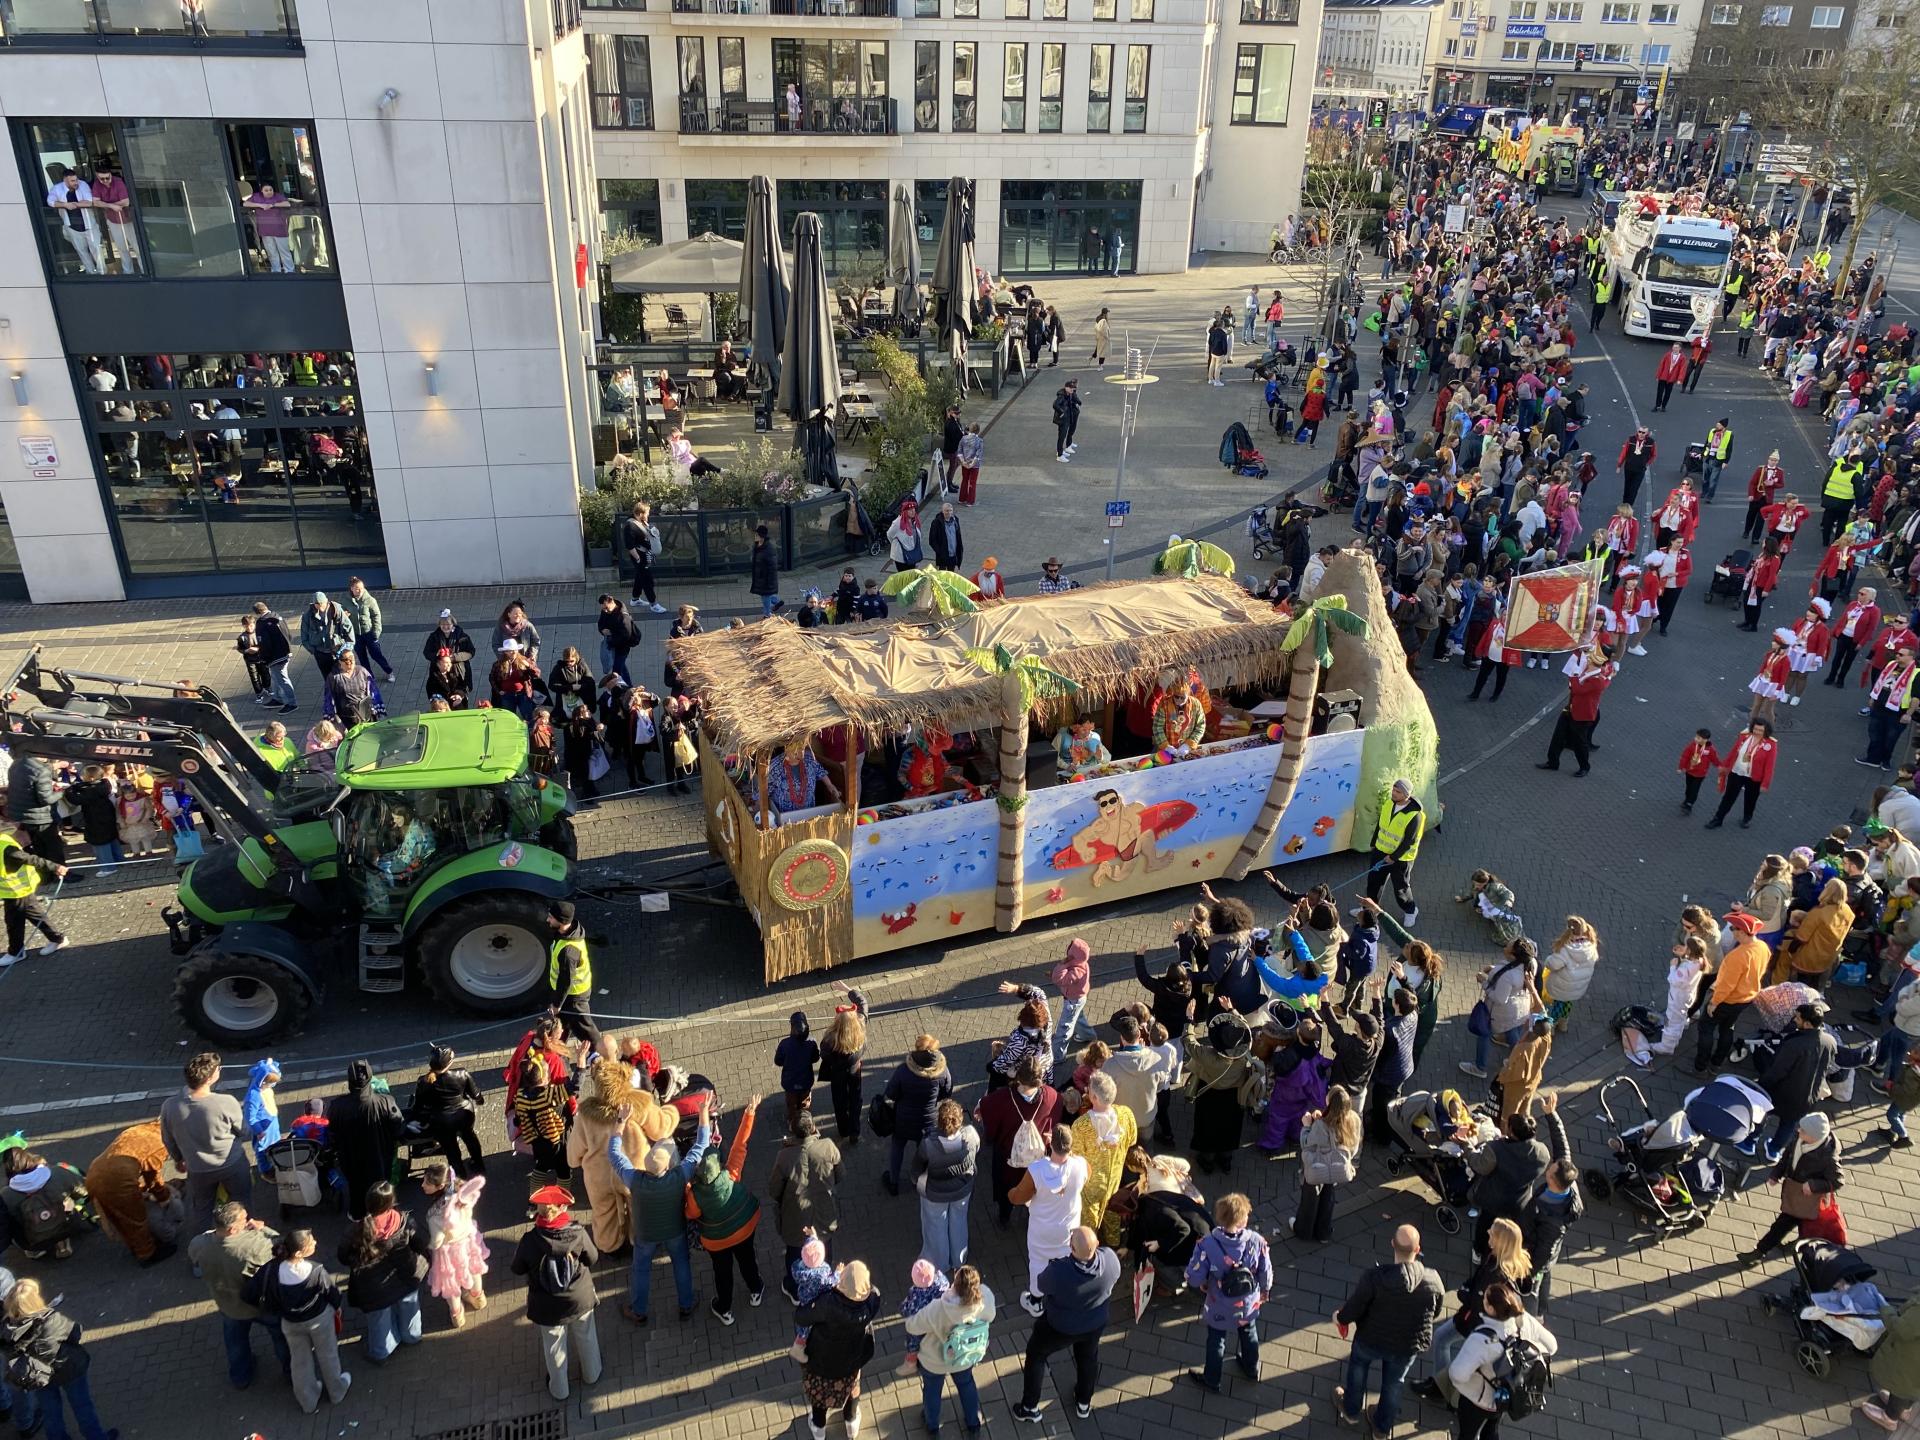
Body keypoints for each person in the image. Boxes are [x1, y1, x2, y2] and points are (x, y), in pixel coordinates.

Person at [1333, 1220, 1446, 1432]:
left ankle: (1350, 1410)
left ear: (1392, 1244)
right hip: (1407, 1345)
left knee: (1358, 1368)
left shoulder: (1375, 1278)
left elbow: (1355, 1307)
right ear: (1418, 1249)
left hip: (1370, 1338)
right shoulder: (1434, 1281)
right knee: (1394, 1382)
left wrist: (1340, 1319)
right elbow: (1435, 1312)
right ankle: (1382, 1427)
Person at [611, 1093, 713, 1323]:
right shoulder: (679, 1175)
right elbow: (701, 1145)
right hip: (675, 1230)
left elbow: (615, 1155)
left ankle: (639, 1310)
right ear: (668, 1164)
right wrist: (703, 1111)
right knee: (681, 1263)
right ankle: (686, 1304)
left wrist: (621, 1121)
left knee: (641, 1269)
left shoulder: (635, 1179)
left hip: (645, 1234)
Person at [1013, 1225, 1120, 1423]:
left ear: (1071, 1249)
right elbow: (1115, 1277)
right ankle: (1083, 1402)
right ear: (1097, 1244)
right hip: (1094, 1323)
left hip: (1060, 1327)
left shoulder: (1059, 1271)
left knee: (1036, 1354)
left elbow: (1041, 1284)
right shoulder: (1111, 1260)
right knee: (1088, 1358)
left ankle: (1030, 1407)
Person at [510, 1184, 602, 1401]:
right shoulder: (577, 1233)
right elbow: (593, 1258)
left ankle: (560, 1389)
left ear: (538, 1212)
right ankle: (592, 1374)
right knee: (586, 1335)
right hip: (579, 1299)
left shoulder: (529, 1240)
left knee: (553, 1346)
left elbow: (517, 1268)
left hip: (546, 1306)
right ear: (562, 1209)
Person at [244, 1228, 350, 1414]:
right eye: (312, 1242)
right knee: (328, 1355)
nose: (316, 1243)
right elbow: (331, 1292)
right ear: (300, 1252)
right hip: (319, 1319)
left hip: (290, 1322)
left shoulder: (272, 1269)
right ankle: (336, 1391)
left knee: (300, 1361)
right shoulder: (316, 1270)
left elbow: (249, 1293)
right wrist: (337, 1305)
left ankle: (307, 1400)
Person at [190, 1201, 288, 1390]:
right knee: (280, 1337)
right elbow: (283, 1248)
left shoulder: (198, 1244)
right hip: (260, 1305)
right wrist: (263, 1229)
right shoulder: (255, 1245)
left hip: (229, 1305)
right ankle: (290, 1371)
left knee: (235, 1341)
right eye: (244, 1219)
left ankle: (241, 1376)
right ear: (233, 1229)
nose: (249, 1221)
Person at [1183, 1193, 1273, 1394]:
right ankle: (1251, 1368)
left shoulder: (1207, 1244)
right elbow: (1266, 1270)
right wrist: (1265, 1291)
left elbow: (1194, 1276)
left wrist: (1203, 1284)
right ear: (1243, 1219)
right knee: (1249, 1333)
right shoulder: (1257, 1241)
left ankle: (1212, 1379)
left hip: (1219, 1304)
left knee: (1216, 1339)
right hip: (1248, 1302)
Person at [688, 1094, 765, 1325]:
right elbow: (740, 1144)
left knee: (723, 1272)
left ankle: (725, 1308)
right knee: (747, 1259)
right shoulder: (731, 1173)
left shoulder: (695, 1194)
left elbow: (691, 1215)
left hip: (717, 1241)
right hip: (745, 1228)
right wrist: (749, 1112)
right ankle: (756, 1289)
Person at [159, 1050, 252, 1238]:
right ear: (211, 1077)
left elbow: (167, 1138)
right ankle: (242, 1239)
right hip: (231, 1163)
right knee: (241, 1200)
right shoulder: (225, 1102)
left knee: (202, 1208)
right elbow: (244, 1131)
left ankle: (200, 1250)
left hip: (198, 1168)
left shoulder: (170, 1106)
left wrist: (178, 1159)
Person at [1449, 1281, 1557, 1440]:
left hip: (1478, 1400)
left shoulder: (1481, 1340)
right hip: (1508, 1394)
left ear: (1490, 1308)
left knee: (1468, 1433)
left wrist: (1468, 1387)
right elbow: (1552, 1346)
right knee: (1492, 1430)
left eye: (1485, 1298)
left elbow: (1457, 1374)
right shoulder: (1523, 1320)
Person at [336, 1180, 429, 1363]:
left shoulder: (356, 1230)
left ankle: (382, 1351)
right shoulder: (404, 1221)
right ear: (391, 1202)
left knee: (379, 1319)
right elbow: (421, 1243)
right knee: (409, 1306)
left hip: (373, 1287)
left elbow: (343, 1256)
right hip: (406, 1276)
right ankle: (412, 1335)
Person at [1739, 1112, 1843, 1264]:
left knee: (1781, 1225)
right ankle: (1800, 1242)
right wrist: (1776, 1174)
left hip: (1807, 1200)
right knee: (1802, 1224)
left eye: (1803, 1130)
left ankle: (1760, 1252)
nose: (1798, 1130)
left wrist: (1814, 1185)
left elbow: (1838, 1180)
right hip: (1795, 1192)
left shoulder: (1828, 1157)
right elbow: (1786, 1158)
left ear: (1815, 1136)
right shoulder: (1799, 1140)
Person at [904, 1262, 994, 1437]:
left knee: (932, 1391)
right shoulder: (986, 1298)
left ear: (955, 1283)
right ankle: (973, 1424)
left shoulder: (939, 1307)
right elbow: (990, 1316)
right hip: (964, 1356)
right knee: (966, 1385)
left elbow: (912, 1326)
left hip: (934, 1361)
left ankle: (932, 1426)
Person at [796, 1260, 882, 1440]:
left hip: (821, 1360)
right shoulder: (872, 1302)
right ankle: (851, 1422)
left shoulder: (828, 1303)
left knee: (820, 1392)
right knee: (851, 1387)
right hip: (853, 1358)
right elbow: (871, 1290)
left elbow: (802, 1318)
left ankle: (819, 1427)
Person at [1011, 1125, 1088, 1316]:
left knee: (1038, 1262)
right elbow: (1086, 1177)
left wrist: (1010, 1193)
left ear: (1050, 1144)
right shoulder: (1080, 1165)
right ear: (1071, 1147)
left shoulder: (1036, 1170)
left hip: (1042, 1230)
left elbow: (1018, 1197)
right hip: (1069, 1229)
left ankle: (1036, 1301)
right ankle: (1064, 1295)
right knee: (1066, 1260)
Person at [83, 1121, 174, 1267]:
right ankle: (147, 1253)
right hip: (115, 1181)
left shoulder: (141, 1129)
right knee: (135, 1218)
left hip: (94, 1173)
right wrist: (163, 1196)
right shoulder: (160, 1144)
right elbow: (153, 1177)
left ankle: (133, 1245)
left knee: (118, 1217)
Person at [325, 1059, 404, 1221]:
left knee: (355, 1187)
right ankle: (382, 1215)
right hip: (380, 1157)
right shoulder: (386, 1101)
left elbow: (332, 1134)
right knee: (380, 1188)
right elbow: (398, 1128)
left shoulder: (337, 1106)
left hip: (350, 1159)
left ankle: (357, 1214)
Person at [770, 1112, 845, 1280]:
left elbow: (774, 1191)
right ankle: (824, 1281)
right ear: (813, 1128)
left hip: (795, 1219)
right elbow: (840, 1175)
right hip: (824, 1214)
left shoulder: (784, 1156)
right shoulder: (828, 1146)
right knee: (825, 1249)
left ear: (792, 1130)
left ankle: (795, 1288)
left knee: (795, 1253)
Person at [1069, 1071, 1138, 1244]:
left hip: (1090, 1183)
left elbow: (1075, 1156)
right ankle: (1113, 1244)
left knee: (1089, 1218)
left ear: (1094, 1097)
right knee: (1113, 1210)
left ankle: (1089, 1246)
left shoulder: (1081, 1125)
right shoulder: (1126, 1114)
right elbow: (1132, 1140)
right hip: (1115, 1178)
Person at [882, 1034, 955, 1196]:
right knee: (923, 1151)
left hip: (903, 1120)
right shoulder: (941, 1072)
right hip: (928, 1122)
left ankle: (893, 1182)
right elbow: (947, 1092)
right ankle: (920, 1182)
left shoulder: (903, 1071)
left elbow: (891, 1093)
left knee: (897, 1147)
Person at [916, 1099, 980, 1273]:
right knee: (959, 1221)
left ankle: (940, 1263)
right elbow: (976, 1152)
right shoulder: (971, 1135)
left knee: (936, 1225)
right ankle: (959, 1261)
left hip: (935, 1193)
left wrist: (916, 1180)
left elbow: (917, 1169)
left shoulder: (928, 1144)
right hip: (962, 1189)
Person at [408, 1043, 485, 1180]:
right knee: (470, 1137)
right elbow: (476, 1095)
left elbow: (418, 1106)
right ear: (449, 1062)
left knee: (451, 1150)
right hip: (464, 1116)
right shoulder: (462, 1074)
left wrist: (418, 1120)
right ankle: (478, 1164)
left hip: (441, 1123)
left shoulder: (424, 1082)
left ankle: (460, 1176)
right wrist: (480, 1101)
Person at [1294, 1084, 1361, 1243]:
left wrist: (1306, 1126)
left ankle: (1304, 1230)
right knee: (1328, 1197)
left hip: (1318, 1169)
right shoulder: (1354, 1120)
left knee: (1310, 1199)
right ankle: (1323, 1232)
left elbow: (1307, 1144)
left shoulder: (1321, 1125)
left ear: (1329, 1102)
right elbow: (1354, 1147)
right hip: (1337, 1168)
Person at [0, 825, 68, 968]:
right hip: (15, 891)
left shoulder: (7, 849)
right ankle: (56, 939)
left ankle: (16, 952)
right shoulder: (5, 842)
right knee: (32, 917)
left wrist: (55, 867)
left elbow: (32, 859)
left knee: (14, 923)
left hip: (17, 891)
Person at [1363, 779, 1425, 925]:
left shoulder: (1415, 815)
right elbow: (1380, 824)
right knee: (1374, 883)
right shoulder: (1389, 803)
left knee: (1401, 889)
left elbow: (1409, 840)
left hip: (1401, 859)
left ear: (1407, 795)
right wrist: (1374, 843)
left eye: (1398, 792)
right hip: (1380, 851)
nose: (1393, 793)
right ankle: (1370, 910)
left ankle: (1410, 910)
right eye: (1393, 790)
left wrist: (1394, 857)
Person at [545, 900, 601, 1048]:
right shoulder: (569, 932)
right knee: (560, 1026)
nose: (547, 920)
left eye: (551, 917)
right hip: (569, 995)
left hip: (574, 997)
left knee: (587, 1032)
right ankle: (556, 1053)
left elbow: (565, 981)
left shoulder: (568, 952)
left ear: (562, 921)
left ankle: (603, 1054)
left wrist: (557, 1005)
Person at [818, 986, 869, 1145]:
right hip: (855, 1070)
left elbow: (824, 1054)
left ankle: (843, 1129)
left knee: (839, 1101)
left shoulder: (830, 1039)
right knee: (855, 1100)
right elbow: (863, 1003)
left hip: (838, 1073)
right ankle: (855, 1132)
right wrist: (848, 989)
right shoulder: (860, 1026)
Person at [1706, 720, 1777, 830]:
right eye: (1756, 729)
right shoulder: (1744, 736)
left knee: (1750, 799)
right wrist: (1725, 765)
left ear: (1766, 731)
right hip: (1737, 772)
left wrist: (1765, 784)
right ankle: (1718, 818)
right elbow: (1734, 751)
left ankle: (1747, 817)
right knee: (1728, 797)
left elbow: (1769, 766)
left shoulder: (1770, 745)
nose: (1757, 732)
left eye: (1760, 730)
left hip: (1754, 777)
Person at [622, 501, 666, 613]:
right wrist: (638, 558)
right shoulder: (630, 525)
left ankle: (635, 599)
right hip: (639, 556)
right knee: (647, 579)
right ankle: (653, 604)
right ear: (640, 513)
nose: (648, 515)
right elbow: (629, 545)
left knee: (640, 576)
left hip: (644, 554)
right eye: (647, 513)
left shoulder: (640, 521)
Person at [1053, 378, 1082, 462]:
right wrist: (1061, 412)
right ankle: (1060, 455)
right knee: (1061, 437)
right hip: (1062, 420)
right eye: (1071, 388)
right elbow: (1055, 405)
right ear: (1066, 387)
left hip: (1066, 418)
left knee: (1063, 436)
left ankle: (1060, 451)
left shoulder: (1068, 394)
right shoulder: (1061, 396)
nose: (1073, 389)